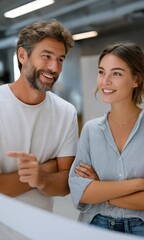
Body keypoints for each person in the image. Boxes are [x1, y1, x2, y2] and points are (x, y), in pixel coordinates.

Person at [69, 41, 144, 239]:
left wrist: (103, 192)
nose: (105, 81)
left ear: (136, 79)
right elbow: (80, 192)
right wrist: (139, 184)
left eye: (116, 73)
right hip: (95, 224)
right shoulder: (91, 130)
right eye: (102, 72)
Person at [0, 19, 78, 239]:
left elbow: (65, 186)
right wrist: (48, 168)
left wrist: (41, 178)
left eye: (60, 59)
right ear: (22, 56)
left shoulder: (66, 112)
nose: (54, 68)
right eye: (46, 56)